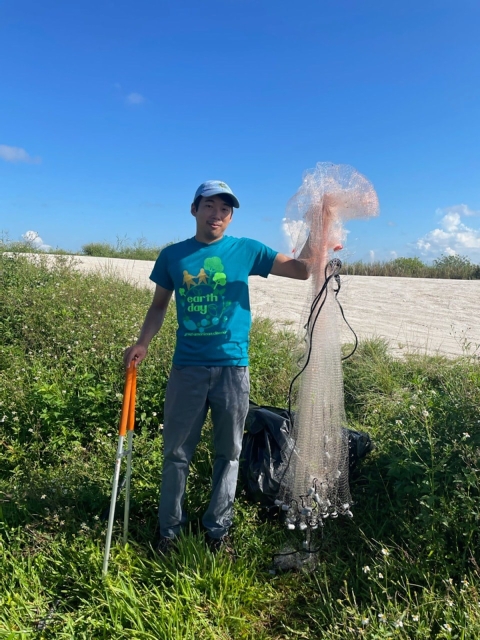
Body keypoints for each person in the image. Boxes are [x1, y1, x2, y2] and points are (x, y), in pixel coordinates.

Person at [124, 180, 311, 556]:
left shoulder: (247, 250)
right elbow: (159, 305)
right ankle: (168, 532)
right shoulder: (173, 256)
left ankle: (217, 530)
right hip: (187, 369)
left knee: (229, 453)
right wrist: (143, 342)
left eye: (225, 209)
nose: (217, 214)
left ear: (230, 216)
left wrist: (318, 233)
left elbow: (302, 270)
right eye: (210, 205)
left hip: (232, 369)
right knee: (176, 452)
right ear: (194, 209)